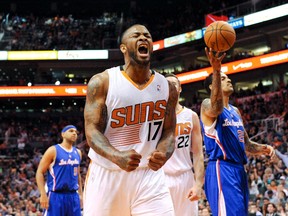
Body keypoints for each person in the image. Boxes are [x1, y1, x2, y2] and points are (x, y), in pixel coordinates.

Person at [83, 24, 178, 216]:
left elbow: (169, 132)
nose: (143, 38)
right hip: (108, 173)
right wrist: (116, 156)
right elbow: (92, 131)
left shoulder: (168, 87)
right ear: (123, 48)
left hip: (149, 177)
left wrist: (164, 152)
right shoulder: (103, 82)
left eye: (147, 35)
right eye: (136, 35)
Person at [200, 47, 276, 216]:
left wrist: (263, 148)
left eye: (227, 77)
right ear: (213, 86)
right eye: (222, 78)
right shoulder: (206, 105)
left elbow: (246, 143)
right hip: (222, 168)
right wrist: (216, 68)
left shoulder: (235, 111)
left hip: (239, 169)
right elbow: (216, 108)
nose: (229, 80)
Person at [163, 73, 204, 216]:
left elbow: (198, 153)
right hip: (162, 177)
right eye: (166, 84)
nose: (171, 87)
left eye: (174, 84)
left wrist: (198, 184)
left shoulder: (191, 116)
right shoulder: (154, 117)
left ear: (180, 89)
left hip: (185, 177)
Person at [36, 125, 82, 216]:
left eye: (76, 132)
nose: (74, 133)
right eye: (71, 131)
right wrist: (43, 194)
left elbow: (78, 174)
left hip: (73, 196)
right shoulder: (53, 150)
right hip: (56, 196)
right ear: (63, 134)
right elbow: (39, 172)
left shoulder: (78, 152)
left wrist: (80, 193)